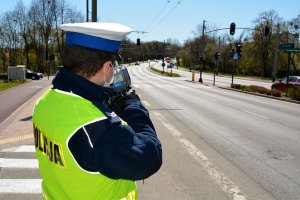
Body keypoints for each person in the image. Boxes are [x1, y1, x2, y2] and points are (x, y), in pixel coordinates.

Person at [32, 22, 162, 200]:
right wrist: (133, 106)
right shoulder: (98, 129)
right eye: (114, 65)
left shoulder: (45, 103)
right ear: (107, 66)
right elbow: (148, 158)